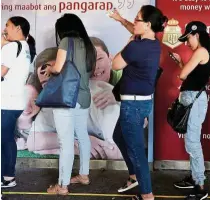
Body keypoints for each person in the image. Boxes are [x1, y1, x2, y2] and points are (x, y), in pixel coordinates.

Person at [21, 46, 121, 160]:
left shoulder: (101, 97)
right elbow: (33, 142)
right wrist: (76, 143)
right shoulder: (50, 103)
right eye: (46, 84)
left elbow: (120, 152)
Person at [111, 5, 167, 200]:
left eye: (137, 19)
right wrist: (121, 20)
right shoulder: (152, 43)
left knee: (137, 152)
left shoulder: (135, 46)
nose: (133, 22)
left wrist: (127, 44)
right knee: (118, 135)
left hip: (132, 106)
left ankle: (147, 195)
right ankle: (135, 176)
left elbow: (115, 64)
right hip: (141, 103)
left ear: (147, 24)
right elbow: (135, 31)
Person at [45, 14, 96, 195]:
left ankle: (62, 186)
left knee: (65, 142)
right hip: (83, 97)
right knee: (82, 135)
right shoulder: (89, 45)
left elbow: (58, 69)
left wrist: (49, 68)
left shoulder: (67, 41)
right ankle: (83, 175)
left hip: (68, 98)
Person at [171, 21, 210, 200]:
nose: (187, 43)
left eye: (188, 38)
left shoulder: (201, 52)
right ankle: (195, 177)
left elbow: (183, 76)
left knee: (193, 143)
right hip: (194, 100)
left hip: (195, 102)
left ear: (197, 35)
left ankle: (200, 186)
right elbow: (190, 75)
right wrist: (181, 62)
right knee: (191, 141)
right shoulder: (202, 53)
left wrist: (182, 66)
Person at [1, 16, 36, 188]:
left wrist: (2, 45)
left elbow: (1, 72)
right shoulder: (25, 47)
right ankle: (8, 177)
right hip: (15, 101)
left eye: (7, 26)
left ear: (17, 28)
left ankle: (8, 177)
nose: (4, 29)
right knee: (7, 139)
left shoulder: (12, 47)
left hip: (7, 101)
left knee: (4, 139)